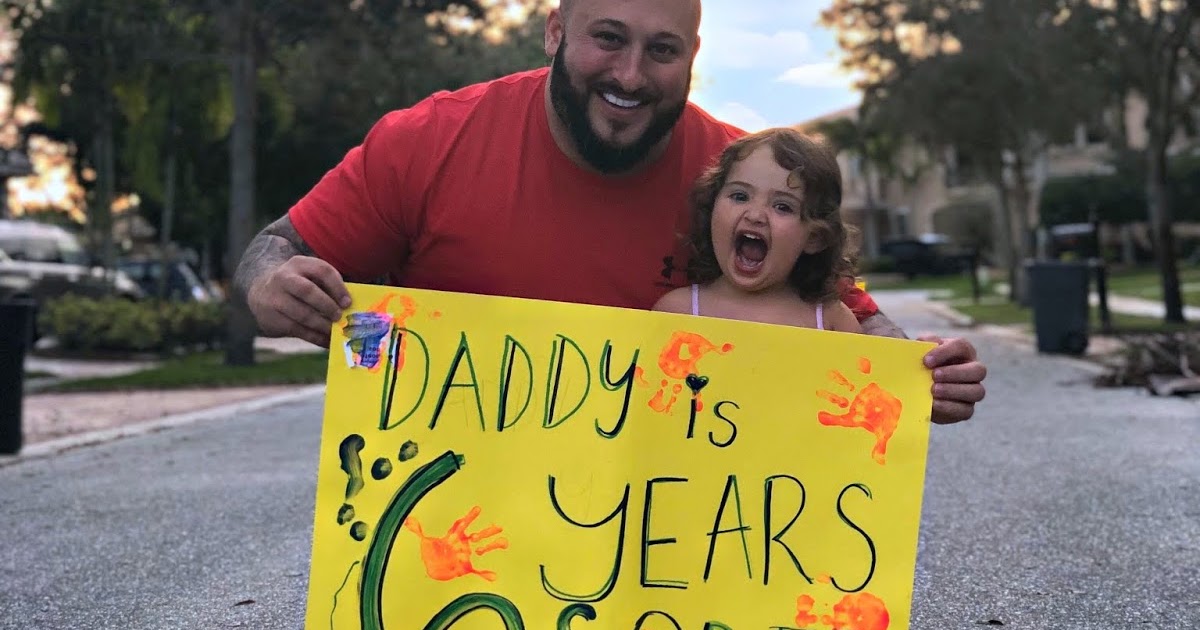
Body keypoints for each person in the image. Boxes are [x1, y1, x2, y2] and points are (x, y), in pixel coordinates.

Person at [233, 0, 986, 423]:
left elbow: (848, 313)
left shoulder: (742, 181)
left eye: (661, 50)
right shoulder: (428, 141)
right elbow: (275, 248)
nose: (629, 74)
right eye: (607, 39)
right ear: (555, 31)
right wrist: (271, 284)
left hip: (666, 545)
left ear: (694, 56)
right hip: (454, 527)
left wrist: (918, 372)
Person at [653, 127, 863, 336]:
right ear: (712, 208)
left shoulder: (832, 321)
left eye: (782, 207)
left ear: (815, 238)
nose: (755, 215)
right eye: (740, 196)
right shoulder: (677, 312)